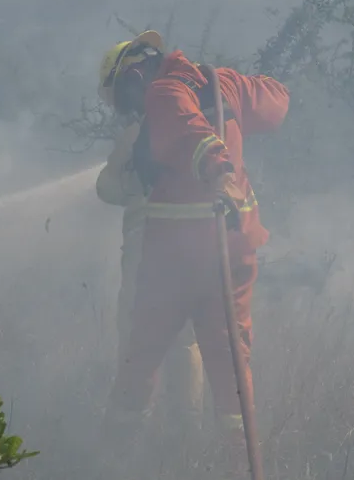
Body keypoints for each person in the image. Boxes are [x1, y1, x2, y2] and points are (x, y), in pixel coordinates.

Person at [95, 30, 290, 467]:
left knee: (140, 355)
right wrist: (250, 88)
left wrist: (219, 172)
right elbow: (276, 103)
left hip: (176, 259)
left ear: (133, 76)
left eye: (125, 100)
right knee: (231, 370)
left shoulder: (161, 92)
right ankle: (241, 465)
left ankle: (112, 461)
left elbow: (192, 135)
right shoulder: (221, 84)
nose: (133, 111)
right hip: (234, 251)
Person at [94, 116, 205, 433]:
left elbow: (108, 188)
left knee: (136, 334)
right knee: (185, 339)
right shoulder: (195, 126)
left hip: (146, 246)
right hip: (192, 244)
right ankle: (187, 428)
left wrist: (117, 158)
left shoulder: (138, 131)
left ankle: (130, 428)